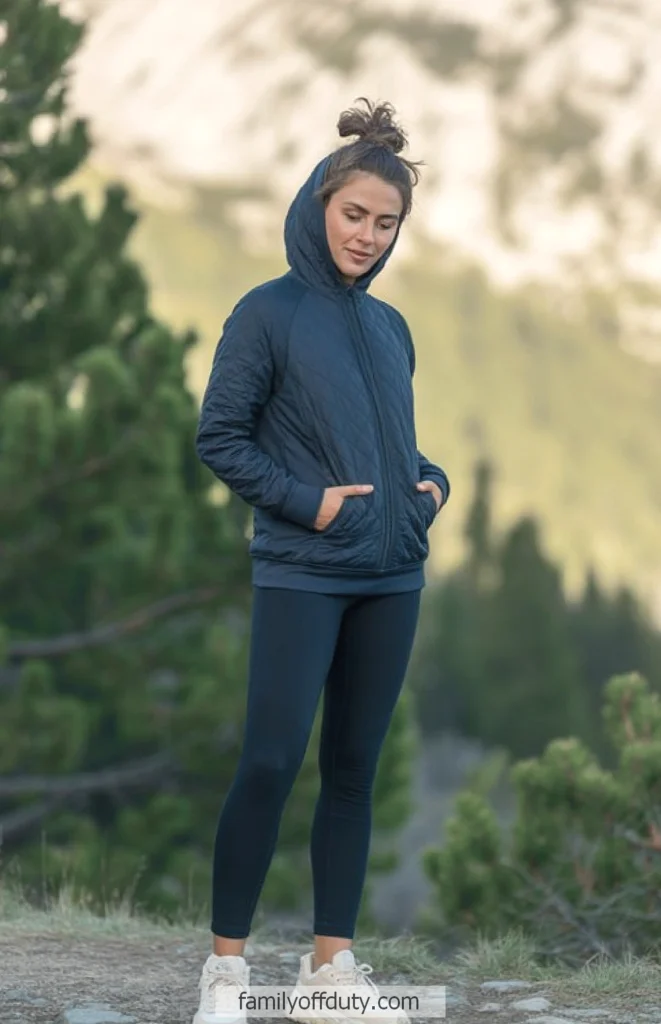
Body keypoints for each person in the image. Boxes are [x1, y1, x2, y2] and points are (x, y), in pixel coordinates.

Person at [192, 97, 450, 1024]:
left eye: (385, 225)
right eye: (354, 216)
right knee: (268, 760)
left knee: (352, 769)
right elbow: (218, 437)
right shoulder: (267, 312)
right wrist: (309, 504)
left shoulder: (390, 329)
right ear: (318, 204)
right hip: (302, 569)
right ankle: (227, 971)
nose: (367, 238)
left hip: (391, 576)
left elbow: (397, 448)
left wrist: (431, 488)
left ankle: (328, 970)